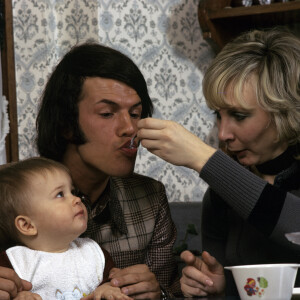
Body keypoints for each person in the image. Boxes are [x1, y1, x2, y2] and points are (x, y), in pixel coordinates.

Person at [0, 43, 180, 299]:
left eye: (136, 113)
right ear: (66, 124)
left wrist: (158, 293)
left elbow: (171, 290)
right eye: (107, 113)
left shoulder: (150, 198)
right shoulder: (11, 195)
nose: (130, 129)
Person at [137, 27, 300, 297]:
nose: (223, 134)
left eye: (239, 115)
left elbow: (295, 226)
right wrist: (217, 288)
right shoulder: (221, 198)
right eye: (218, 115)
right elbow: (241, 291)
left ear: (285, 111)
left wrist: (203, 157)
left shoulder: (223, 178)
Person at [0, 157, 133, 300]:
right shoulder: (13, 262)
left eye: (73, 192)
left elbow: (112, 281)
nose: (77, 199)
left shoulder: (94, 253)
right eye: (60, 194)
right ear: (27, 225)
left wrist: (108, 289)